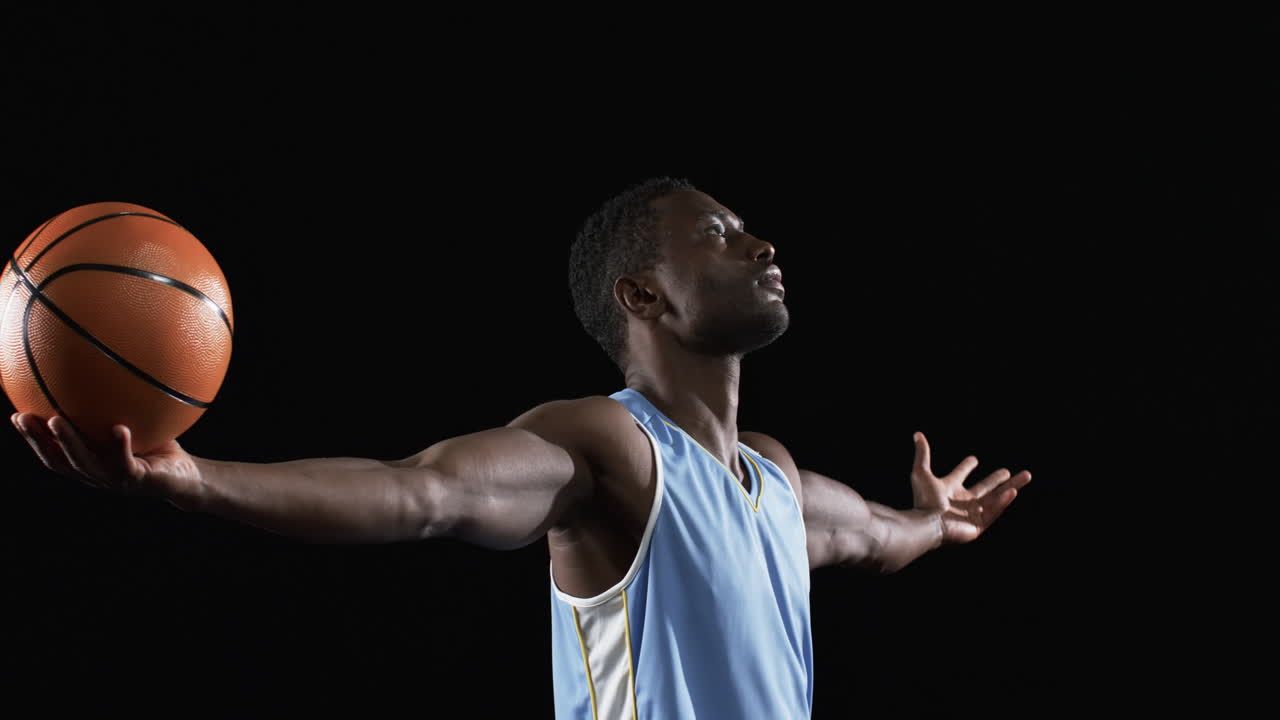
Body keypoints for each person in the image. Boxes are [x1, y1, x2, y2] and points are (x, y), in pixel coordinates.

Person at [10, 177, 1031, 719]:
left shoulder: (771, 478)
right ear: (643, 296)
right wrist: (196, 482)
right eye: (718, 234)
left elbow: (869, 537)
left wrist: (932, 523)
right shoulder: (610, 449)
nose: (760, 245)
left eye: (751, 229)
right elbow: (422, 494)